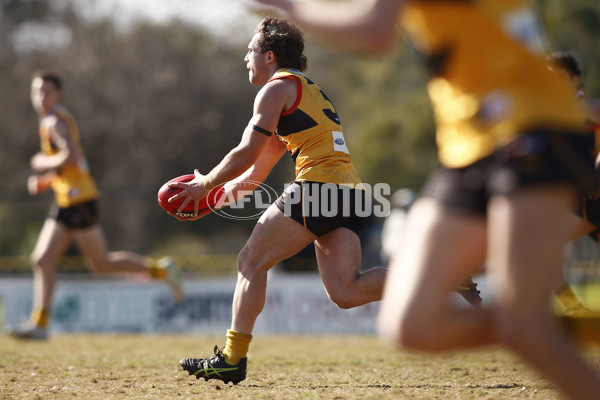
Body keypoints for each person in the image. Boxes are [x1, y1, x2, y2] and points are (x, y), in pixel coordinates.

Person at [249, 1, 600, 399]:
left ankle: (533, 324)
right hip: (467, 147)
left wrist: (294, 7)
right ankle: (542, 323)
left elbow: (373, 32)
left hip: (531, 126)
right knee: (412, 325)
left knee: (529, 329)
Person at [174, 17, 386, 385]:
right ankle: (441, 279)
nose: (246, 57)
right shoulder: (304, 92)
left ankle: (231, 359)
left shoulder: (274, 89)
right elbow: (254, 175)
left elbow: (244, 151)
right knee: (345, 291)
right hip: (351, 195)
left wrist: (203, 183)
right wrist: (211, 200)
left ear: (269, 56)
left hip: (319, 188)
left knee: (250, 261)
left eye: (251, 50)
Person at [6, 71, 182, 340]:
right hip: (68, 198)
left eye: (46, 91)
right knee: (45, 259)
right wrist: (47, 182)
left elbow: (71, 157)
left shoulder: (55, 121)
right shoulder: (50, 121)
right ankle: (39, 324)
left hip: (79, 199)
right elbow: (69, 165)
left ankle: (161, 270)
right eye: (36, 91)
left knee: (98, 263)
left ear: (58, 94)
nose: (41, 97)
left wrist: (40, 163)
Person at [546, 51, 600, 317]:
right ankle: (573, 309)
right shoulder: (549, 115)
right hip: (578, 200)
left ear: (576, 79)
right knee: (540, 242)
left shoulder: (589, 108)